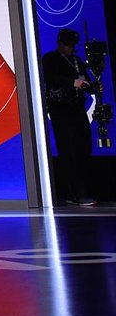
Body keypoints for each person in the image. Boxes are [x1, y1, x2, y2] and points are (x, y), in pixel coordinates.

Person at [42, 28, 96, 206]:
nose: (70, 48)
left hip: (78, 109)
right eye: (67, 45)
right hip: (61, 110)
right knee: (69, 150)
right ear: (60, 43)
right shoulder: (50, 59)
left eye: (72, 46)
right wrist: (72, 82)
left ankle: (81, 190)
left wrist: (90, 86)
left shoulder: (77, 61)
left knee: (83, 148)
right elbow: (49, 77)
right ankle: (76, 193)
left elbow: (86, 81)